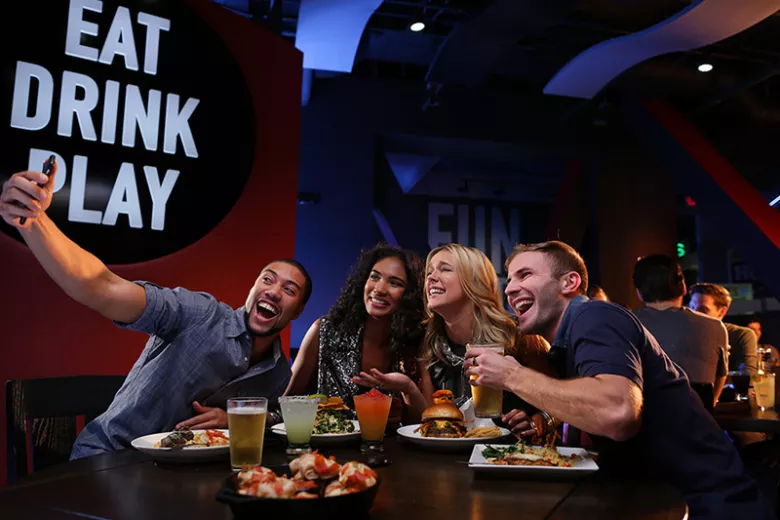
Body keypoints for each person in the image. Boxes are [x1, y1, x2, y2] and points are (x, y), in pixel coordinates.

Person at [1, 166, 311, 458]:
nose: (273, 291)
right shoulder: (197, 313)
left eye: (289, 290)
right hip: (110, 458)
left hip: (183, 480)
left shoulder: (278, 374)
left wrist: (233, 419)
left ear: (296, 312)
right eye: (267, 279)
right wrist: (34, 221)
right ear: (253, 287)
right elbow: (101, 286)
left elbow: (275, 420)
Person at [464, 241, 771, 519]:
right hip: (657, 499)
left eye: (525, 275)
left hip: (712, 504)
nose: (510, 289)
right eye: (511, 279)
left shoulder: (595, 315)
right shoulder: (565, 346)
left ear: (570, 282)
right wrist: (543, 416)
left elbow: (618, 413)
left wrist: (510, 374)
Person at [418, 243, 556, 441]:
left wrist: (537, 422)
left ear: (475, 281)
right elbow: (429, 418)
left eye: (445, 269)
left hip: (510, 459)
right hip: (449, 460)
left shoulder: (517, 333)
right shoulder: (428, 342)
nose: (430, 277)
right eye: (429, 272)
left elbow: (563, 400)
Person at [286, 244, 427, 422]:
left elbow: (426, 423)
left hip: (392, 449)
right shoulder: (324, 331)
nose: (380, 289)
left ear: (409, 295)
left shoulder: (417, 344)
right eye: (374, 277)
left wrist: (408, 388)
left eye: (394, 283)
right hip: (327, 448)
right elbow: (288, 404)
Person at [632, 255, 729, 406]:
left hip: (643, 427)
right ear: (683, 287)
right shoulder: (716, 326)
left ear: (639, 293)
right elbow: (717, 385)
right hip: (698, 425)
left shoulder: (624, 324)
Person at [689, 283, 759, 374]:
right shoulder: (684, 335)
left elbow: (748, 377)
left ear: (722, 311)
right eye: (692, 308)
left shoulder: (741, 335)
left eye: (703, 310)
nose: (694, 314)